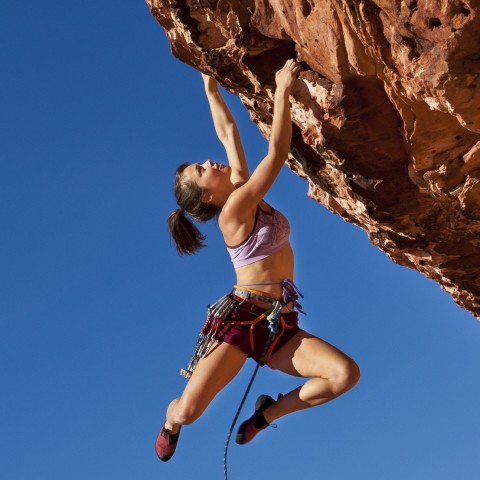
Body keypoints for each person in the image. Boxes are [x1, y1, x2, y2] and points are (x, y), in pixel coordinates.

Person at [155, 59, 360, 462]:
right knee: (190, 411)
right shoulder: (233, 212)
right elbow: (278, 152)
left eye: (204, 161)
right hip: (240, 320)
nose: (211, 162)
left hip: (278, 322)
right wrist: (281, 90)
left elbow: (229, 132)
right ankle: (170, 419)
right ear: (207, 198)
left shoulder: (239, 191)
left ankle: (267, 414)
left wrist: (210, 88)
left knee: (343, 375)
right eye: (202, 170)